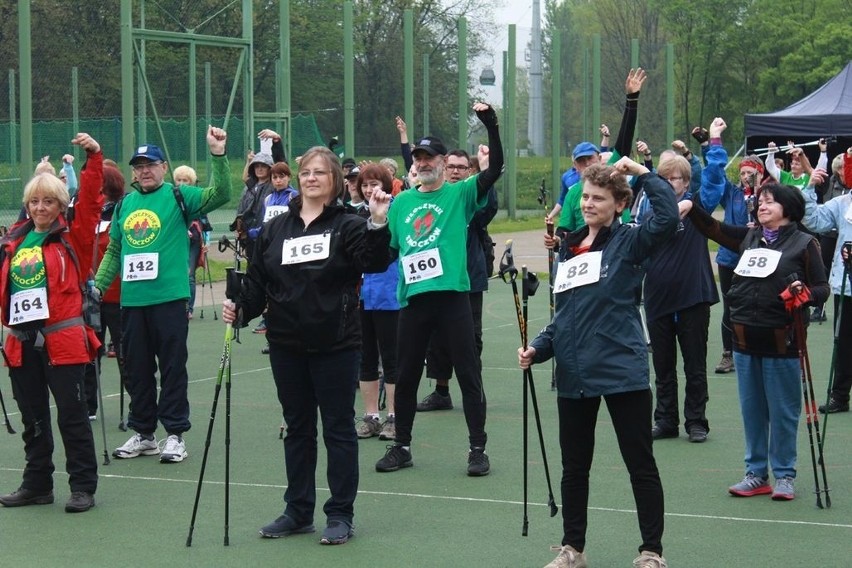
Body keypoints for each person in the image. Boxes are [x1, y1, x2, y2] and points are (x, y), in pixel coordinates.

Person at [222, 146, 392, 545]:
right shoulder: (277, 229)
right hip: (286, 343)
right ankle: (298, 511)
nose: (311, 178)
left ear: (333, 180)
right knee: (297, 428)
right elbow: (260, 283)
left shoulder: (349, 224)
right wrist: (240, 310)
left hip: (336, 343)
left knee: (337, 429)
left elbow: (374, 261)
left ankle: (340, 514)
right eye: (306, 172)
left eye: (320, 172)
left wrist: (379, 223)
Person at [521, 157, 676, 568]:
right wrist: (538, 347)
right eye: (586, 196)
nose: (588, 203)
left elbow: (665, 219)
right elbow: (565, 315)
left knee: (639, 463)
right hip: (574, 372)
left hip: (621, 368)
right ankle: (573, 548)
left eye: (599, 198)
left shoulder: (631, 240)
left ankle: (651, 552)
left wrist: (645, 174)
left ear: (619, 204)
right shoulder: (569, 247)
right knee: (574, 467)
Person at [375, 102, 503, 477]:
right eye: (419, 157)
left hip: (452, 298)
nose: (424, 162)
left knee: (467, 372)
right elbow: (391, 250)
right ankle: (402, 445)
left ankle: (477, 449)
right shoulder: (401, 204)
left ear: (444, 162)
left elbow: (494, 169)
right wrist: (375, 222)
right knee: (407, 374)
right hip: (414, 300)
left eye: (430, 157)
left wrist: (490, 127)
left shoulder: (460, 194)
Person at [682, 182, 829, 501]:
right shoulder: (749, 237)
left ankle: (785, 475)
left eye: (770, 202)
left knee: (783, 412)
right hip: (745, 340)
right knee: (752, 411)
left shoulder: (805, 243)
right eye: (760, 201)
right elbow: (712, 228)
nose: (761, 206)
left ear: (788, 209)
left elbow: (821, 288)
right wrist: (691, 205)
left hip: (783, 343)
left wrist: (803, 295)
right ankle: (756, 474)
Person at [98, 126, 231, 464]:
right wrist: (98, 286)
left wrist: (218, 154)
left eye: (150, 164)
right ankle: (144, 433)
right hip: (133, 302)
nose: (144, 171)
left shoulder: (179, 196)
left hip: (169, 300)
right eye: (138, 166)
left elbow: (221, 193)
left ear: (163, 167)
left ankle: (175, 434)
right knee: (136, 369)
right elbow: (115, 250)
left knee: (172, 367)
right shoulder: (125, 205)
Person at [0, 133, 104, 513]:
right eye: (34, 201)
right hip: (21, 343)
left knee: (72, 417)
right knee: (32, 418)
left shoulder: (71, 237)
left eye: (48, 201)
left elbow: (91, 201)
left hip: (63, 343)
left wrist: (93, 157)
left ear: (60, 204)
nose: (40, 207)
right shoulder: (14, 240)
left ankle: (82, 486)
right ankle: (37, 483)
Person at [639, 154, 718, 443]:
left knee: (694, 364)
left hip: (693, 298)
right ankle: (665, 419)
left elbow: (713, 182)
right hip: (658, 299)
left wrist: (713, 143)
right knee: (662, 365)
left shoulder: (698, 209)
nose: (669, 183)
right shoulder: (650, 217)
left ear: (686, 183)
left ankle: (696, 421)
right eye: (664, 178)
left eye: (674, 178)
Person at [417, 149, 498, 412]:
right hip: (435, 279)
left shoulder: (468, 199)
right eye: (451, 166)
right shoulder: (431, 199)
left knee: (470, 338)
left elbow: (489, 207)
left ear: (469, 172)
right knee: (436, 338)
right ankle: (441, 392)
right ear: (443, 167)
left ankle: (474, 392)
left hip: (468, 280)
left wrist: (488, 174)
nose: (455, 171)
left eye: (461, 168)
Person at [699, 128, 764, 374]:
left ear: (760, 174)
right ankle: (728, 354)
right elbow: (714, 176)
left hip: (757, 258)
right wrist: (708, 146)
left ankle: (754, 349)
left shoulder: (768, 196)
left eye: (751, 173)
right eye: (743, 172)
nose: (746, 176)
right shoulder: (732, 193)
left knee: (756, 304)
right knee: (730, 306)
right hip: (729, 259)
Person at [801, 149, 852, 413]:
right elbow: (813, 220)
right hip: (847, 286)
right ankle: (839, 396)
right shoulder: (842, 203)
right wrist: (810, 189)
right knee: (843, 343)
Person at [352, 164, 400, 441]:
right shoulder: (357, 214)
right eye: (365, 185)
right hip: (362, 297)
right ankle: (371, 416)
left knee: (392, 359)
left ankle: (395, 416)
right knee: (366, 357)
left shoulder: (396, 211)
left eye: (375, 184)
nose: (370, 190)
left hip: (390, 296)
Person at [173, 165, 209, 320]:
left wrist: (206, 241)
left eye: (185, 180)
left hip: (193, 239)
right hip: (176, 238)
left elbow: (205, 222)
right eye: (179, 180)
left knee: (190, 275)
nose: (182, 183)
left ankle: (189, 308)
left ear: (192, 182)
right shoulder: (171, 196)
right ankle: (176, 305)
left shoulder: (196, 198)